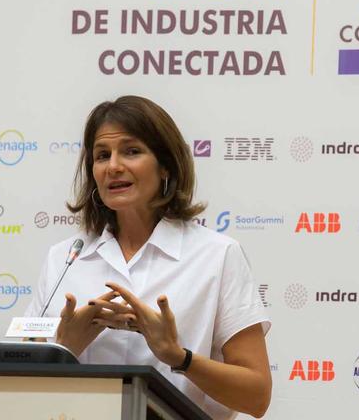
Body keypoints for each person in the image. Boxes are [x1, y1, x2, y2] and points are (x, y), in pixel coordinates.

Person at [24, 96, 272, 419]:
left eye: (131, 151)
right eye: (102, 155)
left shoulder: (217, 255)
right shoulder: (65, 259)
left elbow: (256, 396)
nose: (113, 166)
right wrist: (64, 347)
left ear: (165, 165)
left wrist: (178, 356)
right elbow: (19, 385)